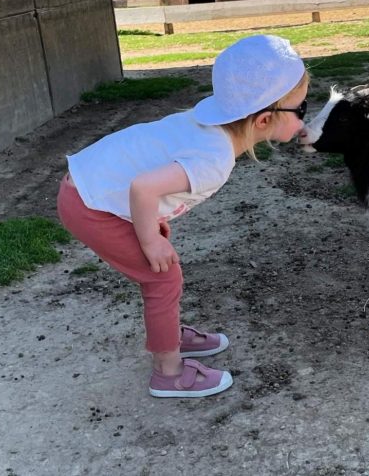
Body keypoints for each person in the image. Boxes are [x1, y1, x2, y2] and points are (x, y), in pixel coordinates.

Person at [57, 35, 309, 398]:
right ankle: (168, 372)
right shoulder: (215, 160)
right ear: (265, 119)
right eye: (300, 109)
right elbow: (143, 188)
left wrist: (148, 225)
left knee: (160, 270)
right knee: (162, 277)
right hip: (88, 204)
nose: (304, 117)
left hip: (88, 187)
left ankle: (169, 335)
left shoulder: (203, 126)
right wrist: (148, 238)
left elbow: (147, 171)